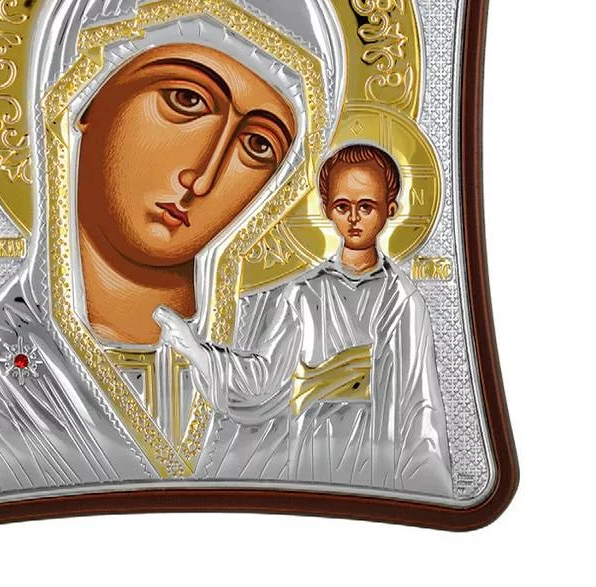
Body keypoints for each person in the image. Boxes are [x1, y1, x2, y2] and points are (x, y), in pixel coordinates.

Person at [0, 0, 347, 502]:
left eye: (258, 146)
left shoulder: (288, 357)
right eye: (186, 100)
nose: (203, 175)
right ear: (81, 97)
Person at [157, 143, 453, 496]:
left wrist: (427, 488)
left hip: (376, 447)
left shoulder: (401, 299)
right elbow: (265, 377)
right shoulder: (304, 293)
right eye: (342, 206)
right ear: (327, 209)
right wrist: (196, 351)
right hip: (313, 445)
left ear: (390, 209)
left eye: (366, 207)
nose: (354, 219)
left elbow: (419, 402)